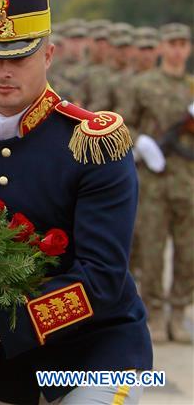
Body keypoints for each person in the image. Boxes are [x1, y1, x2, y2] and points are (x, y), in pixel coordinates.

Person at [0, 0, 151, 405]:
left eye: (19, 57)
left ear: (49, 55)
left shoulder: (93, 142)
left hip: (93, 351)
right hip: (0, 360)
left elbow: (102, 279)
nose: (3, 72)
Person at [121, 23, 192, 343]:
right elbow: (122, 124)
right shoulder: (142, 85)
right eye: (172, 43)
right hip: (153, 181)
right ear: (161, 48)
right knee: (152, 248)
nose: (177, 50)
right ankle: (155, 312)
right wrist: (143, 143)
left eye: (183, 44)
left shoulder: (192, 87)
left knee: (188, 251)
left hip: (188, 180)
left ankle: (179, 312)